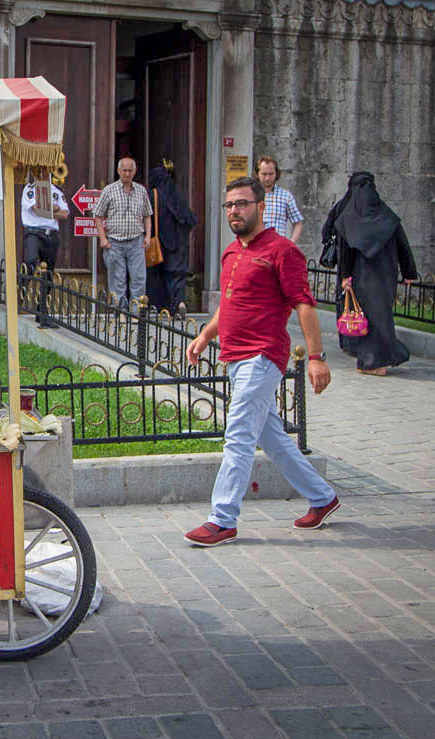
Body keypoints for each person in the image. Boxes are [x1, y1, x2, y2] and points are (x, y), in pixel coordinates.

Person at [183, 176, 339, 547]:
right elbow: (229, 303)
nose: (234, 211)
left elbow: (304, 304)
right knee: (273, 440)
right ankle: (322, 497)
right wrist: (206, 335)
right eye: (229, 205)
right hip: (236, 357)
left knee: (237, 436)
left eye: (241, 203)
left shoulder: (283, 251)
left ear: (261, 207)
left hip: (263, 355)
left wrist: (316, 358)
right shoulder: (231, 252)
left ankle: (222, 519)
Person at [321, 171, 419, 376]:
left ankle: (373, 363)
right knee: (382, 316)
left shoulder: (349, 218)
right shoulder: (388, 217)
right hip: (386, 275)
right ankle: (380, 359)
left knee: (368, 318)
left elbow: (345, 251)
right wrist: (409, 272)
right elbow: (403, 246)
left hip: (362, 276)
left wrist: (345, 277)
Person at [93, 157, 153, 307]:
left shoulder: (141, 191)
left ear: (134, 172)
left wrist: (148, 236)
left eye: (130, 171)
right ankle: (120, 312)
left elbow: (147, 215)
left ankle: (136, 312)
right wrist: (102, 238)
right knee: (117, 279)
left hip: (136, 241)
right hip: (114, 242)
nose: (127, 174)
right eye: (124, 170)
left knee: (138, 278)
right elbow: (98, 215)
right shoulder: (109, 190)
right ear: (119, 171)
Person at [144, 163, 197, 317]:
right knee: (176, 275)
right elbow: (189, 219)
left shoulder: (151, 195)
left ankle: (159, 307)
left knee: (155, 275)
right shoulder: (176, 195)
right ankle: (179, 302)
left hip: (157, 243)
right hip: (178, 244)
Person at [21, 176, 70, 327]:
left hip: (51, 235)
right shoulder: (30, 188)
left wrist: (47, 209)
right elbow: (36, 209)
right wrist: (54, 208)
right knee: (30, 261)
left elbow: (65, 214)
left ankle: (42, 310)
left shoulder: (56, 190)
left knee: (48, 273)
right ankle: (19, 294)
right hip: (34, 232)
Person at [257, 156, 304, 244]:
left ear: (276, 174)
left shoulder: (286, 196)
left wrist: (291, 243)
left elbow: (298, 223)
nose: (267, 178)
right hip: (256, 248)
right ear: (257, 174)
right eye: (264, 174)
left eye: (271, 174)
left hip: (278, 248)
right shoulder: (251, 195)